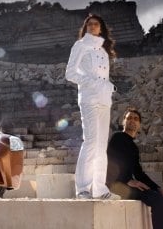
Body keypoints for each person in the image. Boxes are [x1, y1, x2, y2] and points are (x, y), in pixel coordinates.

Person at [65, 13, 119, 199]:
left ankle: (100, 189)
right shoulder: (80, 45)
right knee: (90, 142)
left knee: (101, 145)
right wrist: (93, 83)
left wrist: (107, 87)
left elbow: (103, 77)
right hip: (89, 98)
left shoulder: (104, 51)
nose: (92, 26)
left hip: (104, 100)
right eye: (89, 24)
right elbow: (70, 73)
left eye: (96, 24)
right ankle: (83, 188)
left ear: (101, 27)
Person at [107, 107, 163, 229]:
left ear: (139, 124)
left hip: (127, 184)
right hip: (115, 185)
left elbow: (139, 173)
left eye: (135, 119)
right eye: (129, 118)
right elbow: (110, 163)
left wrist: (158, 188)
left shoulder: (133, 147)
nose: (132, 121)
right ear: (124, 121)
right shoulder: (117, 138)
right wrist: (126, 180)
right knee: (157, 200)